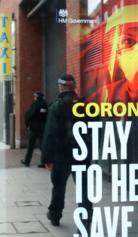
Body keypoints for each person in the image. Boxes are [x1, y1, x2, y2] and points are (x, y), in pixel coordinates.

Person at [42, 74, 93, 227]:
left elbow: (50, 133)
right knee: (84, 187)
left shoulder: (56, 106)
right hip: (82, 154)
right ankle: (86, 218)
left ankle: (55, 214)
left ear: (61, 86)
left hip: (61, 155)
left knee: (58, 186)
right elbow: (94, 128)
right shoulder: (86, 105)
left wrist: (47, 158)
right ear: (74, 86)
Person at [21, 91, 47, 168]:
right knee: (42, 146)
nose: (34, 97)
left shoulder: (35, 105)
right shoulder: (45, 104)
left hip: (34, 128)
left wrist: (27, 124)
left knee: (31, 146)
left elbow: (28, 115)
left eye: (35, 96)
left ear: (37, 97)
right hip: (42, 128)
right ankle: (44, 162)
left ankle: (27, 161)